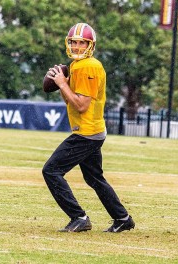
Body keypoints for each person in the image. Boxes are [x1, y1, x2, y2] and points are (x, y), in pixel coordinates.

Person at [42, 22, 135, 233]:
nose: (76, 46)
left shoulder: (88, 66)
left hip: (87, 132)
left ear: (89, 45)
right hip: (89, 130)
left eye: (81, 43)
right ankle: (122, 218)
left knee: (51, 171)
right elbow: (72, 101)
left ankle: (79, 217)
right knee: (94, 177)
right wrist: (62, 85)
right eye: (73, 42)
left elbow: (82, 106)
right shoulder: (77, 65)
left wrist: (62, 84)